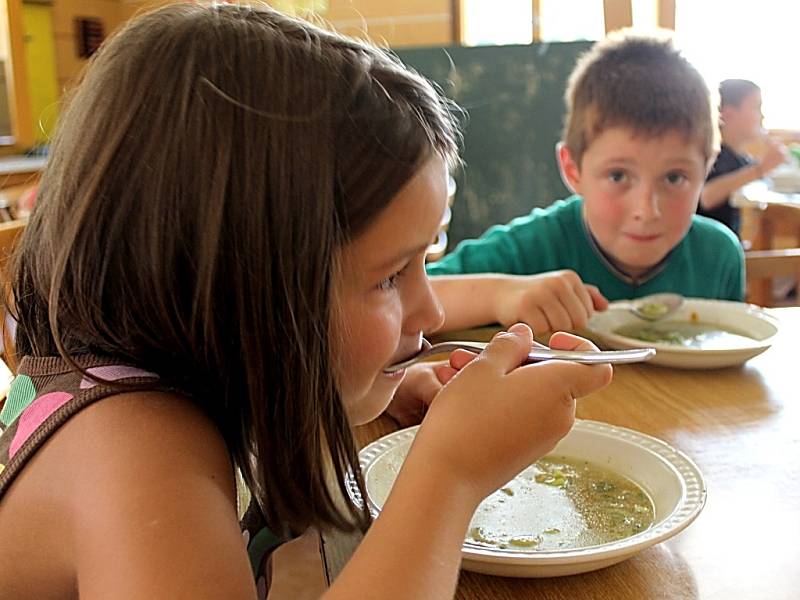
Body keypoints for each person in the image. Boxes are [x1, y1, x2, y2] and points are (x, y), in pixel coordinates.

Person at [0, 5, 612, 599]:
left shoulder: (206, 371)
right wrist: (451, 474)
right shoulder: (134, 460)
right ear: (246, 290)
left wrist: (371, 394)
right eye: (390, 277)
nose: (430, 314)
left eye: (427, 257)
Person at [426, 32, 745, 335]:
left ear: (707, 168)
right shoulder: (531, 250)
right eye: (618, 176)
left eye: (675, 178)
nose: (647, 210)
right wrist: (498, 295)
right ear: (573, 169)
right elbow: (405, 302)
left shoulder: (719, 258)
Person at [698, 79, 786, 235]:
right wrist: (761, 168)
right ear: (728, 114)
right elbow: (706, 197)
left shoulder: (742, 158)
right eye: (756, 107)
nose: (762, 116)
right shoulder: (713, 155)